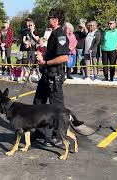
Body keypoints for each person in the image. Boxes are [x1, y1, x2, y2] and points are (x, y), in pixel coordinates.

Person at [33, 8, 69, 147]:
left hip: (54, 76)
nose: (48, 20)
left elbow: (64, 57)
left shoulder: (60, 34)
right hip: (46, 75)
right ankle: (40, 132)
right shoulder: (53, 33)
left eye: (50, 18)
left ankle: (59, 135)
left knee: (57, 108)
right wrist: (42, 57)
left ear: (55, 20)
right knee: (38, 103)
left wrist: (45, 62)